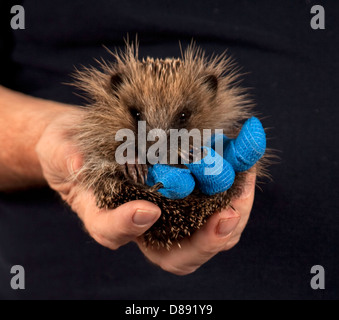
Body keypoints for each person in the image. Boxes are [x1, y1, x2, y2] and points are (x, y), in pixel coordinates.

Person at [0, 85, 256, 275]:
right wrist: (41, 134)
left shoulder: (213, 129)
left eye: (181, 118)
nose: (157, 135)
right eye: (138, 117)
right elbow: (98, 151)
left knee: (222, 166)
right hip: (67, 273)